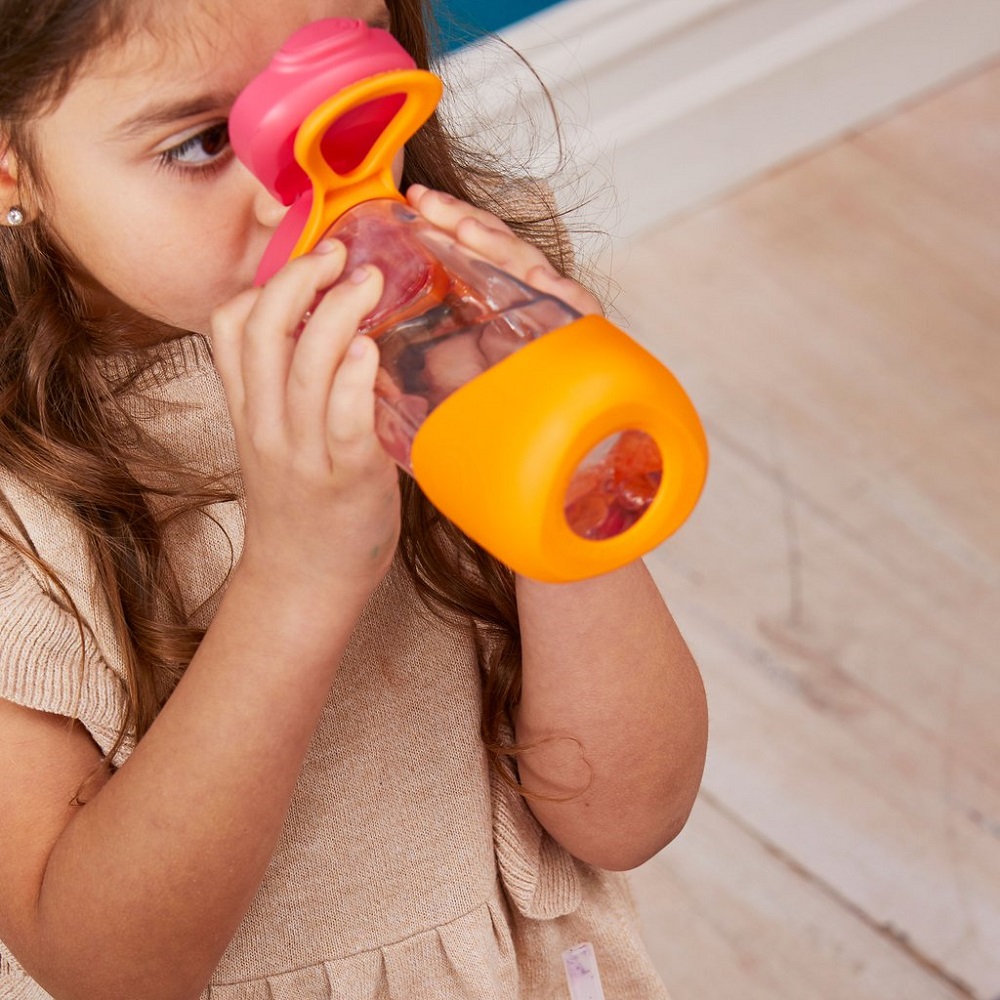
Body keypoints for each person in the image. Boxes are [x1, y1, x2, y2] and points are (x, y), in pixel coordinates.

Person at [0, 1, 708, 997]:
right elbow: (105, 969)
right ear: (10, 167)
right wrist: (298, 572)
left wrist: (570, 495)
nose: (301, 192)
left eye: (335, 90)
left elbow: (629, 811)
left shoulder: (445, 323)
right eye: (205, 142)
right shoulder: (21, 512)